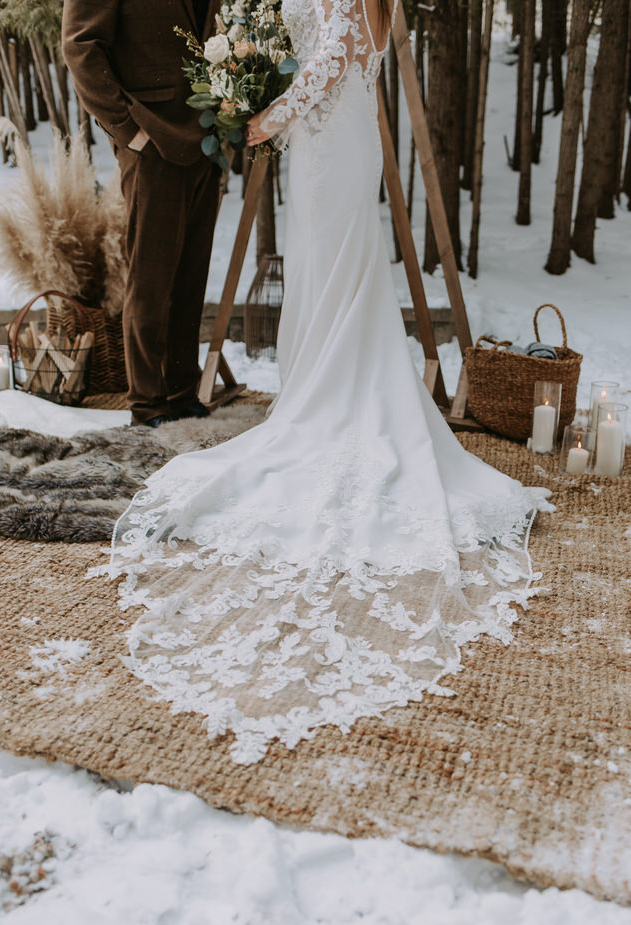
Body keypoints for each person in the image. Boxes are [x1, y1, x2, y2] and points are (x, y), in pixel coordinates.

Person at [108, 0, 552, 765]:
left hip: (327, 133)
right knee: (321, 274)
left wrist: (265, 118)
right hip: (315, 142)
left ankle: (340, 397)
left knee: (341, 270)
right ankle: (318, 386)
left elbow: (336, 60)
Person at [62, 0, 219, 426]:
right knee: (151, 279)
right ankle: (148, 401)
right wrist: (127, 130)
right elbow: (79, 45)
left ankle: (181, 390)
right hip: (150, 137)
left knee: (190, 275)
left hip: (209, 137)